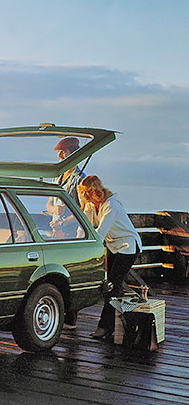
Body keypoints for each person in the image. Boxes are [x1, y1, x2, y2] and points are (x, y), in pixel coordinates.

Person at [77, 175, 142, 340]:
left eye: (87, 193)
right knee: (113, 286)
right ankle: (121, 319)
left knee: (112, 286)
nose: (84, 196)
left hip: (128, 246)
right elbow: (84, 225)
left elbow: (100, 234)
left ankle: (104, 327)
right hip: (114, 246)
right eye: (82, 193)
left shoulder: (111, 205)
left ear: (95, 191)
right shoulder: (92, 205)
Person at [47, 137, 85, 329]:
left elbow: (82, 211)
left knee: (69, 272)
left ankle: (71, 315)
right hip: (55, 229)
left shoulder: (80, 179)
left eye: (63, 152)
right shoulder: (57, 176)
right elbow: (48, 203)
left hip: (69, 232)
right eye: (59, 153)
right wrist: (55, 213)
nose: (59, 156)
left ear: (73, 153)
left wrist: (62, 220)